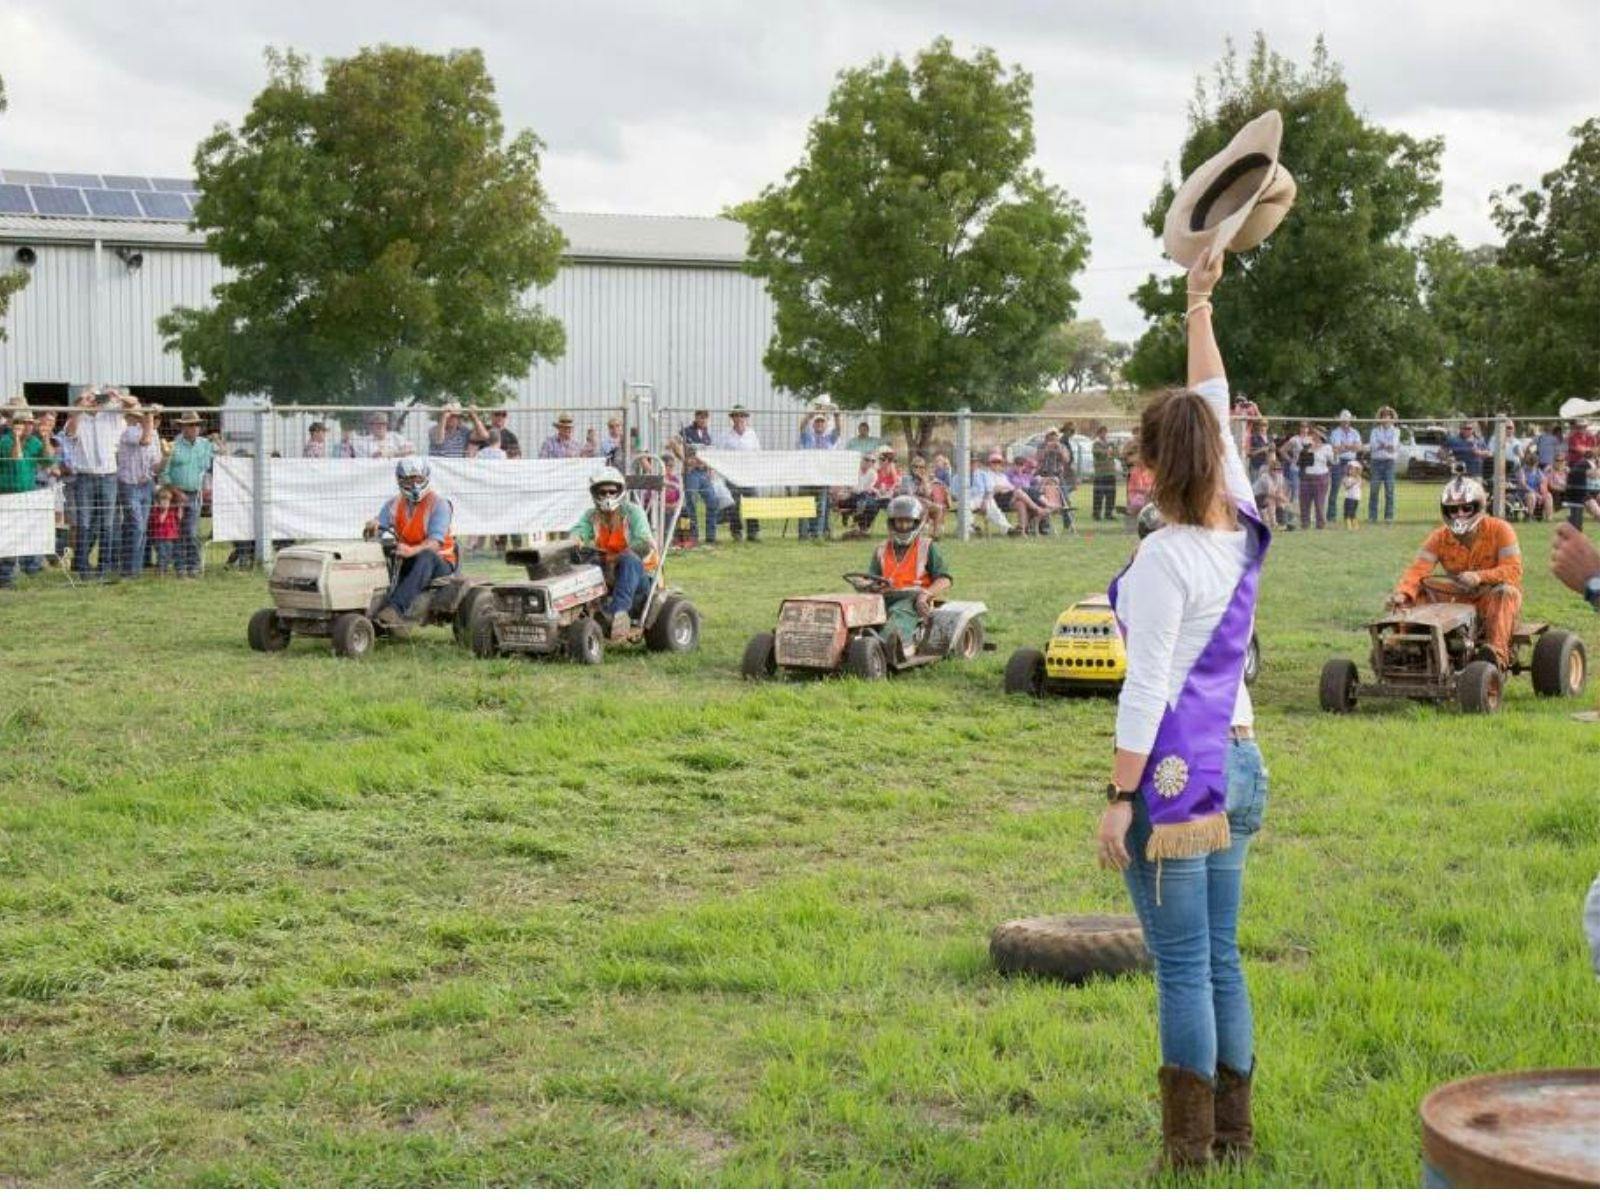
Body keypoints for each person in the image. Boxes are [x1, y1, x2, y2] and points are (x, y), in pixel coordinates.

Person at [1095, 247, 1270, 1171]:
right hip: (1242, 762)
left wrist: (1119, 796)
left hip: (1180, 778)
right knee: (1223, 955)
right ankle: (1233, 1136)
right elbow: (1214, 390)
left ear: (1160, 463)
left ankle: (1188, 1152)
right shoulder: (1239, 518)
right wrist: (1197, 302)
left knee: (1182, 966)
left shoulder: (1165, 558)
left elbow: (1149, 688)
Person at [1388, 473, 1522, 669]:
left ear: (1478, 507)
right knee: (1418, 591)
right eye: (1453, 510)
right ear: (1445, 511)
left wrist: (1479, 577)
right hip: (1456, 598)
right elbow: (1418, 569)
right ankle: (1402, 646)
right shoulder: (1439, 537)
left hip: (1489, 598)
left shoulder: (1501, 530)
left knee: (1505, 592)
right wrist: (1402, 593)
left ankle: (1496, 654)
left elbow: (1513, 570)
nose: (1459, 514)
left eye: (1466, 508)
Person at [569, 465, 658, 639]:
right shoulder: (591, 516)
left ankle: (618, 613)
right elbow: (578, 530)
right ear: (595, 493)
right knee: (583, 557)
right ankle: (586, 609)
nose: (607, 496)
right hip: (608, 572)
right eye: (602, 492)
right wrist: (576, 539)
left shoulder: (633, 512)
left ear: (620, 492)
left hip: (639, 577)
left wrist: (615, 558)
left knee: (629, 559)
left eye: (611, 491)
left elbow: (644, 544)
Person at [367, 457, 457, 627]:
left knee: (427, 556)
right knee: (383, 551)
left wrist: (411, 551)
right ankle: (368, 603)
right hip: (409, 556)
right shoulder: (394, 504)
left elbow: (435, 543)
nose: (414, 484)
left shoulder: (439, 504)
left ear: (426, 478)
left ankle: (394, 609)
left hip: (440, 562)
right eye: (409, 479)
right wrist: (374, 525)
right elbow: (381, 524)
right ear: (400, 480)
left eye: (418, 479)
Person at [868, 495, 952, 656]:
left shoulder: (927, 546)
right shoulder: (880, 549)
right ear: (892, 523)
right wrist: (868, 585)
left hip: (913, 598)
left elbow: (944, 579)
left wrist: (925, 595)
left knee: (899, 612)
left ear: (916, 523)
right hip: (884, 596)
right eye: (899, 521)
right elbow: (871, 578)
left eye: (908, 521)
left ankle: (888, 646)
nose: (903, 525)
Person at [64, 387, 130, 580]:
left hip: (108, 475)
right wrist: (79, 404)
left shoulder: (111, 416)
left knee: (107, 524)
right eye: (90, 397)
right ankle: (83, 569)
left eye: (96, 397)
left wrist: (115, 396)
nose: (94, 400)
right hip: (85, 476)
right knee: (84, 523)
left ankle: (103, 569)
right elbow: (70, 432)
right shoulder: (77, 418)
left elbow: (131, 405)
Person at [0, 404, 54, 588]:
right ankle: (5, 577)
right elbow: (16, 458)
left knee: (24, 534)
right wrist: (15, 437)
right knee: (7, 535)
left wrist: (46, 439)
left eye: (32, 423)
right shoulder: (5, 441)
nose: (31, 426)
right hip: (7, 494)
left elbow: (49, 461)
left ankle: (29, 569)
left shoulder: (34, 442)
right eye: (26, 423)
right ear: (17, 424)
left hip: (27, 494)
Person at [158, 411, 216, 579]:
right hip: (176, 495)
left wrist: (219, 442)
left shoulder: (205, 445)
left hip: (195, 494)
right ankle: (181, 567)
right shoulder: (173, 446)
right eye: (191, 425)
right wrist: (176, 491)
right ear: (183, 427)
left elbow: (215, 460)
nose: (195, 428)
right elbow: (164, 474)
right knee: (179, 533)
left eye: (197, 424)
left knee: (191, 531)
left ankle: (193, 566)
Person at [114, 399, 161, 579]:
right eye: (145, 416)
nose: (151, 419)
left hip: (146, 484)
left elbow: (155, 464)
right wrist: (150, 415)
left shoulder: (154, 434)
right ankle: (130, 570)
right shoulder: (127, 431)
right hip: (129, 485)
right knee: (137, 526)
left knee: (140, 528)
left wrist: (166, 459)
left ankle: (135, 568)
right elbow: (145, 440)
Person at [716, 405, 762, 542]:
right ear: (733, 418)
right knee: (734, 505)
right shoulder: (725, 435)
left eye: (742, 415)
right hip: (732, 475)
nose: (740, 418)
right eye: (737, 415)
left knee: (752, 502)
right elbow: (719, 454)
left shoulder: (752, 434)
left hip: (749, 475)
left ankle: (753, 532)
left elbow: (758, 453)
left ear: (746, 418)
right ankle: (736, 532)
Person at [678, 409, 722, 544]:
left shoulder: (708, 435)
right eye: (700, 417)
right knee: (690, 502)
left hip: (704, 472)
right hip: (691, 472)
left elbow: (711, 453)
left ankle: (711, 536)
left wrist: (710, 468)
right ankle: (693, 536)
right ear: (696, 417)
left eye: (705, 418)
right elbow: (673, 444)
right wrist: (684, 459)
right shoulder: (686, 431)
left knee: (713, 501)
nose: (702, 420)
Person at [797, 405, 841, 541]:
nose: (820, 424)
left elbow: (838, 430)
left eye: (822, 422)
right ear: (814, 424)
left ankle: (818, 534)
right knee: (805, 506)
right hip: (807, 477)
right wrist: (812, 414)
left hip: (822, 478)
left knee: (821, 508)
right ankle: (804, 535)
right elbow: (802, 427)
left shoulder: (829, 439)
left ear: (825, 424)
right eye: (817, 421)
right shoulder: (807, 437)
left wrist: (837, 415)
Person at [1326, 409, 1362, 523]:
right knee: (1335, 488)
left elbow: (1358, 447)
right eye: (1344, 420)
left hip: (1352, 461)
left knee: (1353, 490)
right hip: (1338, 461)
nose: (1346, 422)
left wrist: (1344, 447)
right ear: (1340, 421)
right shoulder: (1335, 432)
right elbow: (1335, 449)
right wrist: (1350, 447)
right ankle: (1331, 516)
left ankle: (1350, 515)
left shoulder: (1355, 432)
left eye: (1348, 420)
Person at [1297, 426, 1334, 531]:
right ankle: (1305, 524)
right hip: (1306, 476)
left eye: (1316, 433)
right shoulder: (1306, 445)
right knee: (1304, 502)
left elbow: (1331, 462)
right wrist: (1308, 448)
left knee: (1319, 502)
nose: (1314, 435)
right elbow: (1301, 462)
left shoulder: (1327, 447)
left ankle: (1320, 524)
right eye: (1313, 433)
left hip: (1321, 477)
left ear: (1321, 436)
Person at [1367, 406, 1399, 524]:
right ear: (1380, 418)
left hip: (1389, 463)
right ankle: (1372, 517)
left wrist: (1382, 445)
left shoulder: (1396, 431)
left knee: (1389, 490)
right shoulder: (1375, 431)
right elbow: (1373, 446)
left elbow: (1393, 446)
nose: (1386, 418)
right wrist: (1386, 445)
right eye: (1384, 416)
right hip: (1376, 462)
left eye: (1388, 416)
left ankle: (1388, 517)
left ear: (1391, 418)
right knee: (1374, 490)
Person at [344, 410, 412, 459]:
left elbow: (411, 450)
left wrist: (388, 454)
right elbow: (377, 456)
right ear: (371, 426)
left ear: (387, 425)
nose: (380, 426)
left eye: (383, 423)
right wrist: (399, 453)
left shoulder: (395, 436)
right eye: (377, 424)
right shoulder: (365, 441)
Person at [149, 486, 182, 575]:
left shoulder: (172, 511)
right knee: (162, 554)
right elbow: (160, 521)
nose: (165, 503)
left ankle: (164, 568)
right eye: (163, 501)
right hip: (159, 537)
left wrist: (179, 509)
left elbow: (178, 519)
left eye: (167, 501)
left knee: (168, 554)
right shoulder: (156, 511)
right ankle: (160, 571)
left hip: (170, 537)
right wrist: (164, 512)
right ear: (158, 502)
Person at [1253, 456, 1289, 530]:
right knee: (1271, 500)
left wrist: (1283, 499)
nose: (1277, 471)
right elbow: (1269, 493)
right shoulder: (1265, 477)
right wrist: (1282, 498)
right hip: (1257, 496)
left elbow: (1279, 490)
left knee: (1280, 502)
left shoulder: (1280, 477)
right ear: (1270, 470)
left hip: (1268, 495)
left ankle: (1281, 522)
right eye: (1274, 469)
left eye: (1279, 469)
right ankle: (1272, 523)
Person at [1091, 426, 1119, 521]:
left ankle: (1109, 513)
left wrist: (1112, 451)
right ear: (1099, 433)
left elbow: (1116, 454)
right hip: (1100, 473)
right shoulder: (1096, 443)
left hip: (1111, 472)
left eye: (1105, 432)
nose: (1104, 434)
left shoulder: (1110, 443)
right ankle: (1096, 514)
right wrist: (1108, 451)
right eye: (1102, 432)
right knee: (1098, 495)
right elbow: (1097, 453)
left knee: (1111, 494)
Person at [1340, 460, 1363, 530]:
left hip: (1355, 498)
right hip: (1348, 497)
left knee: (1352, 512)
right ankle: (1348, 524)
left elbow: (1360, 485)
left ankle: (1354, 525)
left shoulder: (1358, 478)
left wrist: (1355, 481)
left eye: (1352, 469)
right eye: (1349, 469)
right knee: (1347, 511)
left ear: (1357, 471)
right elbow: (1346, 486)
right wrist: (1347, 482)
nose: (1350, 471)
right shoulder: (1347, 478)